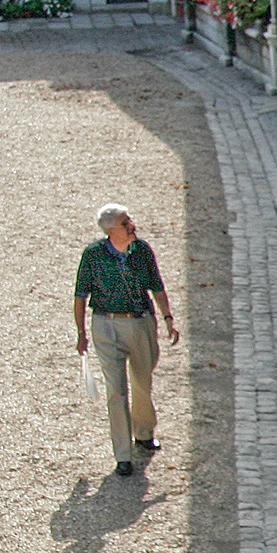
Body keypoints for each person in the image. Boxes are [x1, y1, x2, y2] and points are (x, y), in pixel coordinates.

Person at [73, 203, 180, 477]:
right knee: (116, 391)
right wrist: (82, 333)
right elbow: (81, 295)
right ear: (111, 230)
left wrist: (168, 318)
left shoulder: (141, 250)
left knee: (143, 382)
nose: (132, 224)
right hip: (105, 325)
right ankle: (122, 454)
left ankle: (143, 433)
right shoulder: (94, 255)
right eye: (125, 222)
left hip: (140, 322)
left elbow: (156, 286)